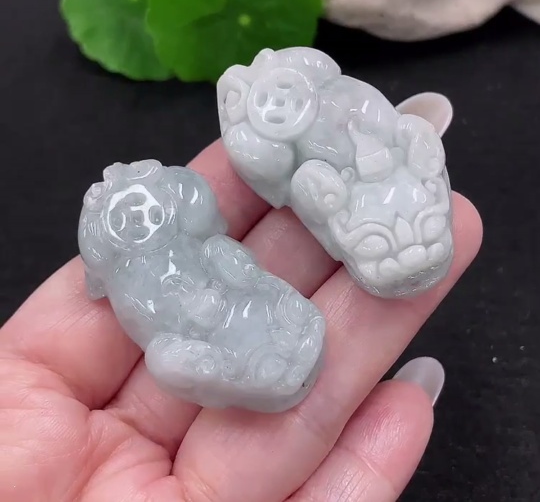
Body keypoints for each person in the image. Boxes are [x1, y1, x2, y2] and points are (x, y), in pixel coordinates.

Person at [0, 141, 482, 501]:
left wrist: (227, 270)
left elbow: (226, 256)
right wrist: (188, 319)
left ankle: (284, 337)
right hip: (198, 340)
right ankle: (227, 368)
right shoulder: (126, 280)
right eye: (124, 220)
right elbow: (140, 315)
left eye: (145, 208)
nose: (140, 221)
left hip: (242, 307)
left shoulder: (189, 238)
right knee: (165, 359)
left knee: (239, 272)